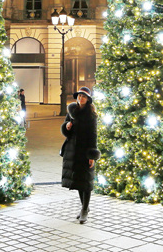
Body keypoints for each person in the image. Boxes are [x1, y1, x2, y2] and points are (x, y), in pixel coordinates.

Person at [61, 86, 100, 224]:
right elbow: (66, 130)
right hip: (73, 150)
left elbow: (93, 135)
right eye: (79, 96)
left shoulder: (91, 114)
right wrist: (66, 127)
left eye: (83, 96)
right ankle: (84, 207)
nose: (81, 98)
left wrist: (92, 155)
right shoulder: (72, 111)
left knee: (86, 182)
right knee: (78, 181)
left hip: (85, 150)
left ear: (88, 99)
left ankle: (84, 209)